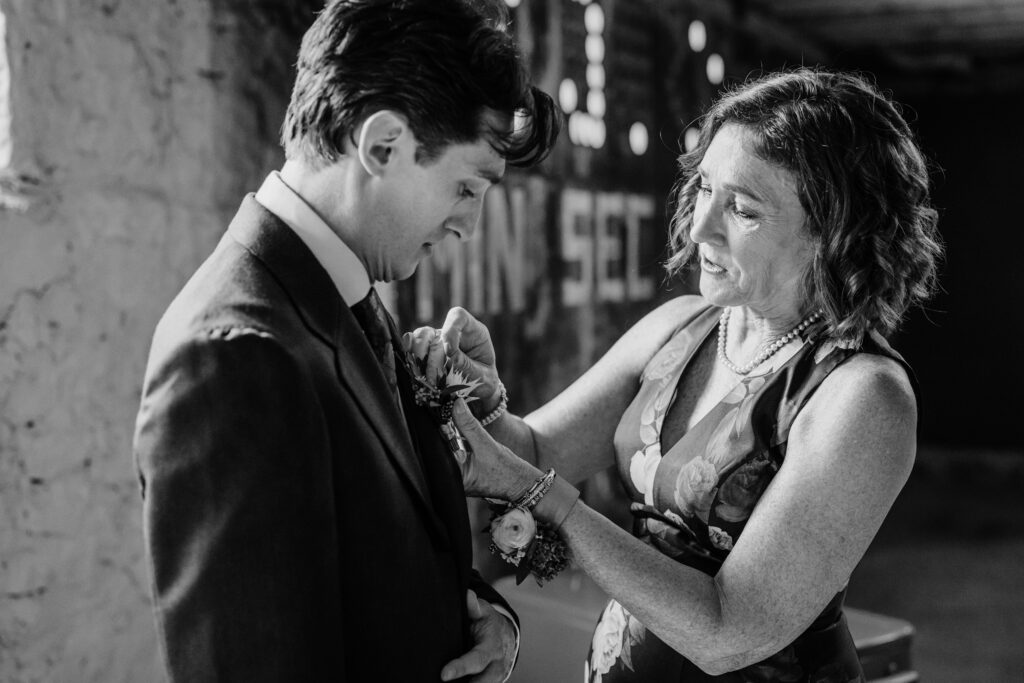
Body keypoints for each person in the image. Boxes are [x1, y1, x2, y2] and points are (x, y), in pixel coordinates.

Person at [418, 68, 942, 681]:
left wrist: (547, 503)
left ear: (834, 233)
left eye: (742, 209)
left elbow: (729, 632)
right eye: (705, 190)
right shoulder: (683, 325)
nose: (699, 227)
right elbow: (534, 450)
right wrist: (481, 399)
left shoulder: (864, 396)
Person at [132, 0, 558, 680]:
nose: (469, 225)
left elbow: (383, 561)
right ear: (383, 143)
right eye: (467, 186)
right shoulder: (234, 358)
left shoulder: (342, 293)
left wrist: (490, 624)